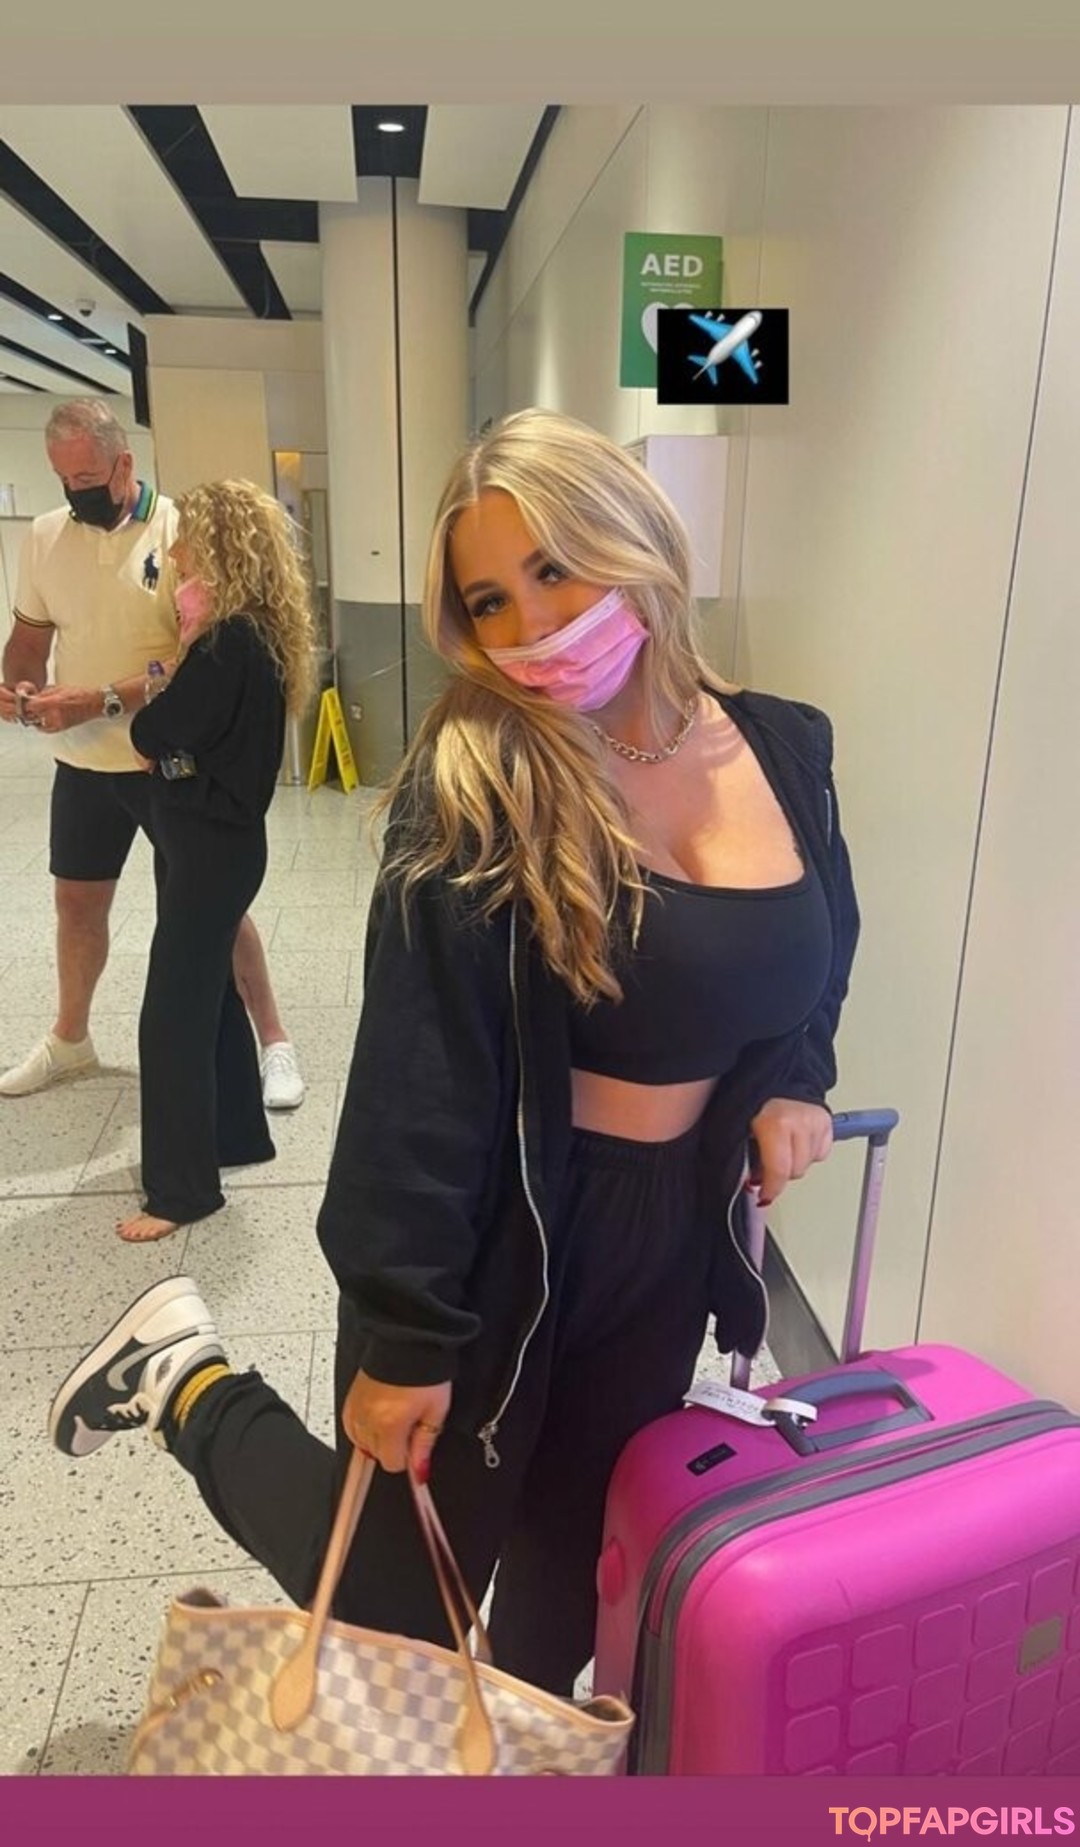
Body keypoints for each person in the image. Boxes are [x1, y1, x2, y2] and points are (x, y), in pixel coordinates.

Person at [48, 409, 859, 1696]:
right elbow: (417, 1077)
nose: (532, 626)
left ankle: (522, 1760)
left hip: (662, 1238)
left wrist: (794, 1076)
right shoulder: (482, 776)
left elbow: (817, 941)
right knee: (395, 1608)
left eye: (555, 569)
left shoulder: (786, 747)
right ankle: (191, 1383)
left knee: (568, 1589)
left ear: (640, 538)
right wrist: (406, 1332)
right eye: (490, 600)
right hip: (491, 1231)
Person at [0, 398, 306, 1112]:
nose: (74, 490)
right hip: (82, 763)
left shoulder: (179, 533)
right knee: (76, 902)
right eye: (62, 477)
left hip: (168, 763)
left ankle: (273, 1038)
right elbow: (29, 639)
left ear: (123, 463)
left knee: (211, 906)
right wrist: (19, 686)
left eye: (86, 477)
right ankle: (70, 1037)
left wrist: (100, 700)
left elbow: (199, 667)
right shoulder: (44, 537)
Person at [111, 478, 316, 1243]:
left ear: (222, 546)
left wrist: (162, 703)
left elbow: (153, 730)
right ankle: (234, 1134)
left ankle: (182, 1190)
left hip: (207, 845)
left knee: (172, 1012)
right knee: (213, 997)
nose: (176, 554)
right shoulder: (252, 635)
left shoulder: (228, 643)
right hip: (215, 842)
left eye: (188, 539)